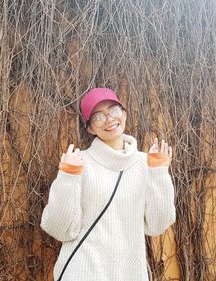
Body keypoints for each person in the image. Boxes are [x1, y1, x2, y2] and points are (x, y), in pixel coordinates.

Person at [40, 87, 176, 280]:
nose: (109, 119)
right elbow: (59, 229)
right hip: (82, 273)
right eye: (98, 116)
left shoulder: (147, 163)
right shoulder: (78, 162)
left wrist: (159, 172)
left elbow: (156, 225)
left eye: (113, 110)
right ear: (89, 127)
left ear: (124, 113)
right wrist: (67, 178)